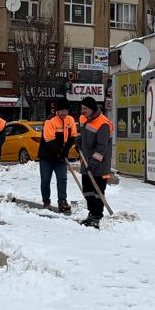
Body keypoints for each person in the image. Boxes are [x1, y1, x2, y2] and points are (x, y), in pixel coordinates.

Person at [75, 96, 114, 228]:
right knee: (87, 190)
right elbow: (80, 132)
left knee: (98, 191)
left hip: (100, 165)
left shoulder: (103, 124)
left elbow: (102, 148)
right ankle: (92, 213)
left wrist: (93, 163)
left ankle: (97, 216)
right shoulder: (83, 118)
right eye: (82, 108)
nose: (83, 111)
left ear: (92, 109)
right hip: (86, 162)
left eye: (85, 109)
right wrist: (78, 141)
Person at [38, 99, 78, 213]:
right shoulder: (50, 121)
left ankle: (62, 201)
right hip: (47, 156)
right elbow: (49, 139)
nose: (63, 114)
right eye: (61, 111)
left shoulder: (70, 120)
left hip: (61, 157)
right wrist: (61, 151)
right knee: (45, 180)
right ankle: (46, 202)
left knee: (62, 179)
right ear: (57, 110)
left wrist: (66, 150)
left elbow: (72, 136)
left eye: (65, 111)